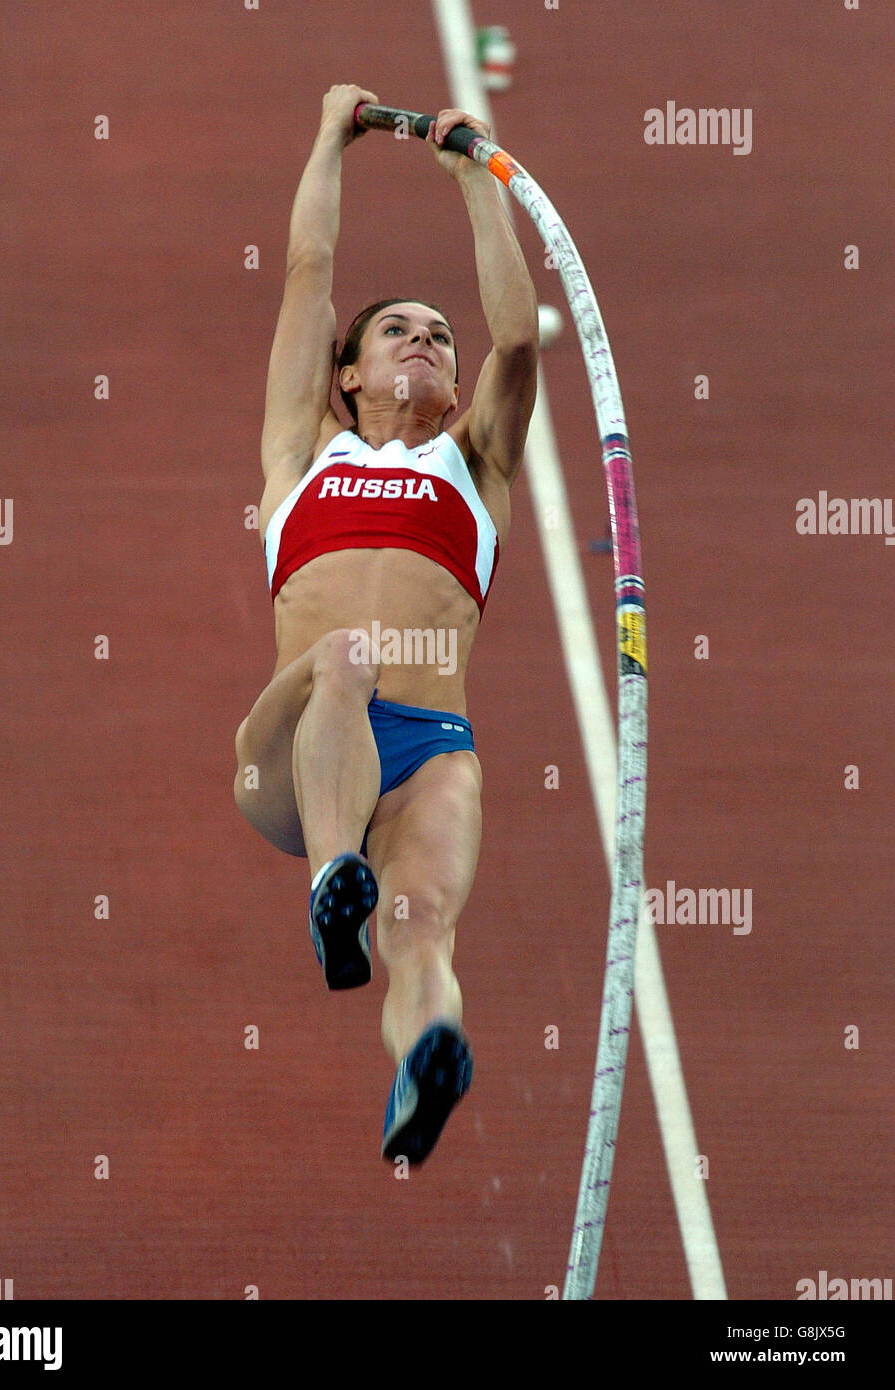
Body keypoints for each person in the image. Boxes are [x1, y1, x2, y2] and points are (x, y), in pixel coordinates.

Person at [234, 83, 538, 1165]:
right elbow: (308, 272)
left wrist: (477, 183)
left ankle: (426, 1065)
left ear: (453, 383)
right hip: (295, 748)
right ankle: (331, 881)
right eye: (397, 330)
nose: (425, 341)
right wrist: (330, 135)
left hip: (426, 754)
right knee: (348, 658)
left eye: (438, 338)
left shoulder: (477, 466)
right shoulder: (301, 454)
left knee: (418, 937)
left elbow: (517, 335)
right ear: (349, 374)